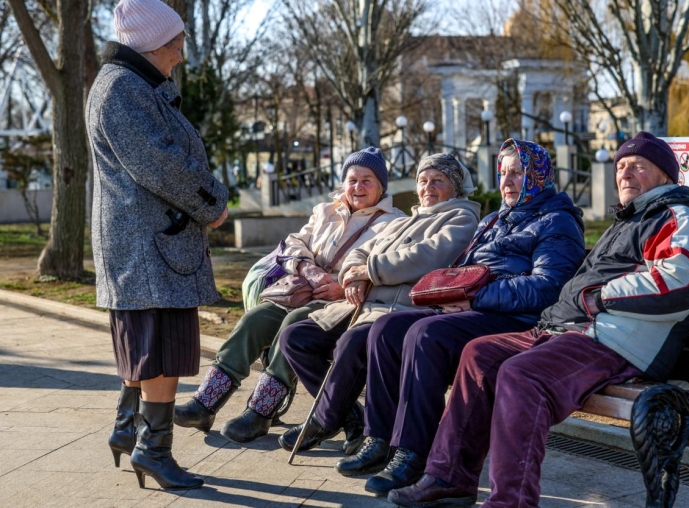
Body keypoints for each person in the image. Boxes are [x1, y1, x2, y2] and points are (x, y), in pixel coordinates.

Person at [389, 131, 689, 507]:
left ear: (664, 174)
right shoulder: (631, 218)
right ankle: (449, 477)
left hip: (614, 340)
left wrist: (598, 297)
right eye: (621, 167)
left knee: (522, 375)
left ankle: (511, 501)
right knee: (479, 355)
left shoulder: (676, 214)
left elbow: (681, 281)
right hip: (569, 330)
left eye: (638, 167)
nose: (625, 174)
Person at [335, 141, 586, 497]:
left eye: (517, 172)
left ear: (538, 175)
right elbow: (461, 271)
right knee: (386, 328)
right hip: (474, 309)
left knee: (425, 334)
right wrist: (453, 294)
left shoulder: (557, 221)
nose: (508, 181)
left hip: (517, 319)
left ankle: (413, 453)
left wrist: (474, 297)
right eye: (503, 173)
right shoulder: (494, 219)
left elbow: (547, 287)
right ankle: (380, 438)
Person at [86, 0, 229, 490]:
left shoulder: (130, 86)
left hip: (150, 244)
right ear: (152, 45)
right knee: (161, 352)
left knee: (151, 349)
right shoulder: (123, 90)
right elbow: (161, 164)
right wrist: (213, 203)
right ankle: (152, 450)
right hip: (148, 248)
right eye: (177, 44)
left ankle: (130, 428)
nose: (182, 55)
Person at [174, 147, 403, 445]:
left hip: (342, 303)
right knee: (254, 319)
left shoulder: (394, 222)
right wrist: (307, 268)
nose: (358, 187)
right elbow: (293, 243)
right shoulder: (325, 210)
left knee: (293, 324)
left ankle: (261, 412)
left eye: (367, 180)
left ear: (381, 186)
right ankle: (206, 403)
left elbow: (384, 268)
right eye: (352, 179)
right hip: (303, 290)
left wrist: (340, 285)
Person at [277, 154, 482, 455]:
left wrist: (370, 271)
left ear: (455, 186)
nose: (428, 188)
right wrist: (355, 276)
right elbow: (358, 255)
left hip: (399, 310)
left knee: (351, 343)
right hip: (361, 305)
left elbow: (428, 256)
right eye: (423, 181)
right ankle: (347, 416)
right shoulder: (408, 219)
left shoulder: (461, 217)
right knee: (294, 337)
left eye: (438, 180)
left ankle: (324, 420)